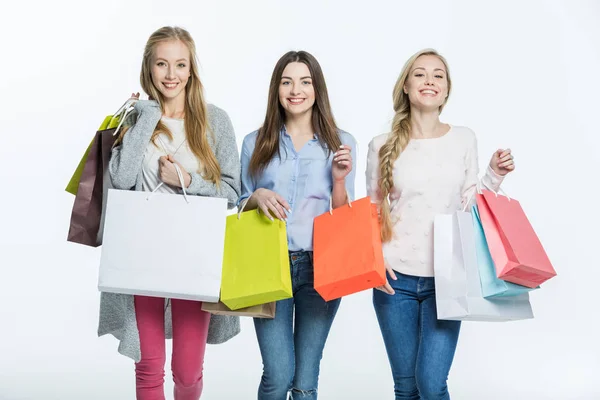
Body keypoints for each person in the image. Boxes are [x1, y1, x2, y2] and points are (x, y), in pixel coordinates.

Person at [98, 26, 241, 400]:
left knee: (188, 372)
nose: (171, 74)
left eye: (180, 64)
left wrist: (185, 179)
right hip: (140, 258)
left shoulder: (215, 121)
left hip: (194, 257)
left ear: (192, 69)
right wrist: (144, 117)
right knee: (147, 367)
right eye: (162, 64)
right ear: (149, 68)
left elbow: (231, 193)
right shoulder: (136, 117)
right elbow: (123, 178)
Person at [366, 48, 515, 400]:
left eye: (438, 75)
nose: (429, 81)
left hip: (447, 279)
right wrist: (375, 260)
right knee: (406, 387)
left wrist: (493, 174)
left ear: (447, 90)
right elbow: (373, 210)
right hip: (394, 281)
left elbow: (470, 203)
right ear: (406, 85)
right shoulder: (381, 145)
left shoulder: (463, 138)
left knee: (432, 385)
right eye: (419, 74)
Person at [239, 50, 357, 400]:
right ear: (276, 89)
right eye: (287, 81)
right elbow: (239, 204)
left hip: (322, 266)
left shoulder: (341, 142)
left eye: (305, 81)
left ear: (317, 88)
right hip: (268, 264)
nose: (296, 90)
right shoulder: (255, 142)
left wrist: (338, 180)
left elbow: (345, 216)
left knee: (305, 382)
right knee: (277, 375)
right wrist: (257, 195)